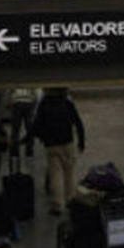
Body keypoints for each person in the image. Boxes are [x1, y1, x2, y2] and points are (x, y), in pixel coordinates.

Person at [30, 88, 85, 216]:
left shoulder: (44, 104)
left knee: (55, 175)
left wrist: (28, 139)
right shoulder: (67, 103)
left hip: (51, 145)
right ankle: (71, 200)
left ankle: (57, 205)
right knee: (70, 173)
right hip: (67, 143)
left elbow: (36, 125)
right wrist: (81, 141)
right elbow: (78, 122)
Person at [5, 88, 39, 157]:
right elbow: (35, 93)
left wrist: (8, 101)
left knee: (15, 129)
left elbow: (10, 90)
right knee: (29, 129)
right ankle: (29, 150)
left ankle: (14, 151)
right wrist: (34, 104)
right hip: (28, 102)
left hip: (17, 102)